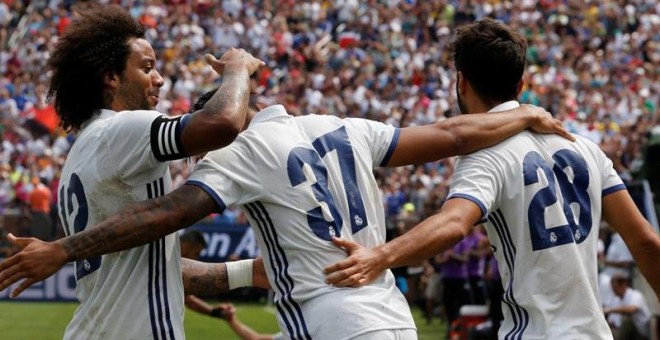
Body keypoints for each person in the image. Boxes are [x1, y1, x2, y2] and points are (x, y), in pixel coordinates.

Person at [0, 84, 572, 338]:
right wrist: (522, 114)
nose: (199, 153)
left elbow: (169, 213)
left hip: (329, 322)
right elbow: (451, 134)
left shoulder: (241, 150)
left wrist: (63, 250)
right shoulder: (343, 125)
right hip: (392, 318)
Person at [323, 18, 660, 339]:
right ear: (521, 85)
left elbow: (454, 224)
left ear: (461, 82)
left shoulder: (486, 155)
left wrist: (380, 256)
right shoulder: (586, 149)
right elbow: (645, 241)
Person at [0, 5, 265, 340]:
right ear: (111, 77)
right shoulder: (126, 127)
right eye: (147, 68)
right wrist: (238, 70)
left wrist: (249, 272)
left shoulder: (82, 151)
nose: (159, 78)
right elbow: (223, 123)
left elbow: (151, 268)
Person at [179, 230, 282, 340]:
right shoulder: (169, 265)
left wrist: (214, 312)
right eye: (196, 253)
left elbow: (189, 300)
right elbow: (190, 300)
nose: (196, 259)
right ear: (186, 246)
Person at [603, 273, 652, 340]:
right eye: (613, 288)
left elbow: (632, 309)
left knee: (627, 320)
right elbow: (612, 320)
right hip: (621, 331)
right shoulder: (616, 299)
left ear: (623, 285)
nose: (614, 290)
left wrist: (610, 310)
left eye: (615, 287)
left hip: (640, 332)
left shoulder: (636, 295)